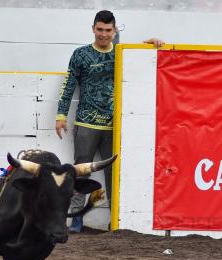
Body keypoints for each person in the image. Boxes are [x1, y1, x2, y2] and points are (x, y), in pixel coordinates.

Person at [55, 10, 164, 232]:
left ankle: (117, 220)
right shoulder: (80, 54)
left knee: (114, 172)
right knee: (81, 170)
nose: (104, 34)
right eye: (100, 29)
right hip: (87, 122)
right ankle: (76, 219)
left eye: (108, 30)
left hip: (117, 124)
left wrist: (151, 45)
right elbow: (68, 86)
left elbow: (144, 63)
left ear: (114, 31)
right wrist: (61, 115)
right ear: (93, 29)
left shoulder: (123, 53)